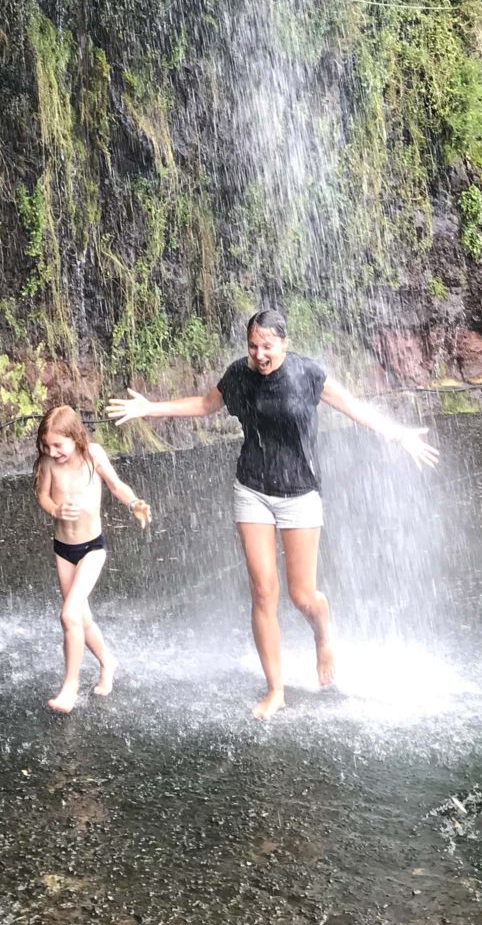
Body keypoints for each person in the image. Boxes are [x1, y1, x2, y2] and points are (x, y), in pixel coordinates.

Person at [107, 307, 437, 719]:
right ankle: (275, 689)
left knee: (302, 595)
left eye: (267, 346)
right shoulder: (239, 376)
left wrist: (397, 433)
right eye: (252, 346)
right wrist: (149, 409)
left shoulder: (307, 374)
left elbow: (354, 407)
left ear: (284, 343)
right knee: (263, 591)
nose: (259, 355)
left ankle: (323, 634)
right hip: (252, 490)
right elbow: (205, 405)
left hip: (299, 492)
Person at [33, 402, 152, 713]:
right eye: (47, 445)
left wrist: (134, 503)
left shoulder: (93, 455)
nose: (53, 450)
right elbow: (42, 496)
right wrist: (56, 509)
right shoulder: (49, 463)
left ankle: (69, 688)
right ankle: (107, 661)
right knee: (82, 620)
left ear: (76, 437)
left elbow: (116, 486)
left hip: (92, 549)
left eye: (58, 445)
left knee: (69, 615)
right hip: (63, 550)